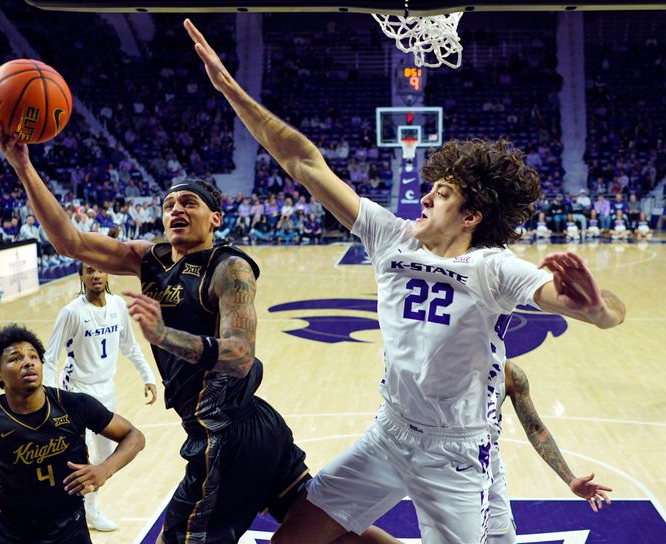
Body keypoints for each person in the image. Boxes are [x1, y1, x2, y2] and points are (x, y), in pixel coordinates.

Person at [184, 19, 626, 543]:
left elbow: (600, 312)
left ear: (471, 217)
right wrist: (232, 91)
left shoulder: (493, 267)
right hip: (389, 434)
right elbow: (304, 162)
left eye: (440, 193)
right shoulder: (389, 236)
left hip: (456, 454)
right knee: (294, 538)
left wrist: (596, 307)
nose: (424, 198)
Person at [0, 113, 328, 544]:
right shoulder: (151, 259)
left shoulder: (230, 268)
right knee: (321, 525)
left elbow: (240, 357)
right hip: (256, 427)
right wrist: (22, 165)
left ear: (215, 218)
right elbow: (70, 242)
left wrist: (163, 335)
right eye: (169, 205)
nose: (176, 210)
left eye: (189, 203)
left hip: (223, 434)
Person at [0, 324, 145, 544]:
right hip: (11, 534)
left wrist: (105, 469)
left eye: (33, 356)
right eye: (16, 358)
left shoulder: (74, 405)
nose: (28, 362)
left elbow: (134, 436)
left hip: (70, 529)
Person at [44, 262, 158, 531]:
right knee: (75, 458)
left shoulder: (118, 306)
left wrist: (148, 376)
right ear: (81, 277)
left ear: (107, 274)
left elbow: (129, 346)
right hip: (75, 394)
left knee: (105, 457)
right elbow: (50, 358)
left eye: (99, 270)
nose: (95, 275)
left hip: (105, 392)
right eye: (89, 271)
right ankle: (69, 515)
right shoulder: (71, 312)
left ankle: (91, 510)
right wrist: (51, 398)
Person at [487, 359, 612, 543]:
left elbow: (535, 428)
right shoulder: (434, 362)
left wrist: (570, 478)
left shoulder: (509, 372)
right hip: (441, 467)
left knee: (503, 539)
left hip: (489, 467)